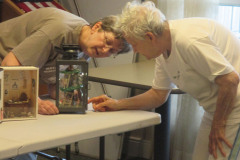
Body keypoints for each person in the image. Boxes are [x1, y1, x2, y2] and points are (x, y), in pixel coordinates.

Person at [88, 1, 240, 160]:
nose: (135, 50)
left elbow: (230, 80)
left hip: (235, 108)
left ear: (149, 37)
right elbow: (157, 94)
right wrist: (117, 104)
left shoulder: (188, 40)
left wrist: (218, 124)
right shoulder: (162, 48)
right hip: (216, 109)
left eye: (135, 44)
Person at [0, 7, 129, 160]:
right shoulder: (58, 31)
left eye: (112, 51)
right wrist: (35, 101)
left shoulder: (85, 48)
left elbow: (56, 88)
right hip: (6, 66)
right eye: (107, 41)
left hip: (8, 75)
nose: (104, 50)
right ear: (96, 27)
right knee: (17, 138)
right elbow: (11, 64)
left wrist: (79, 101)